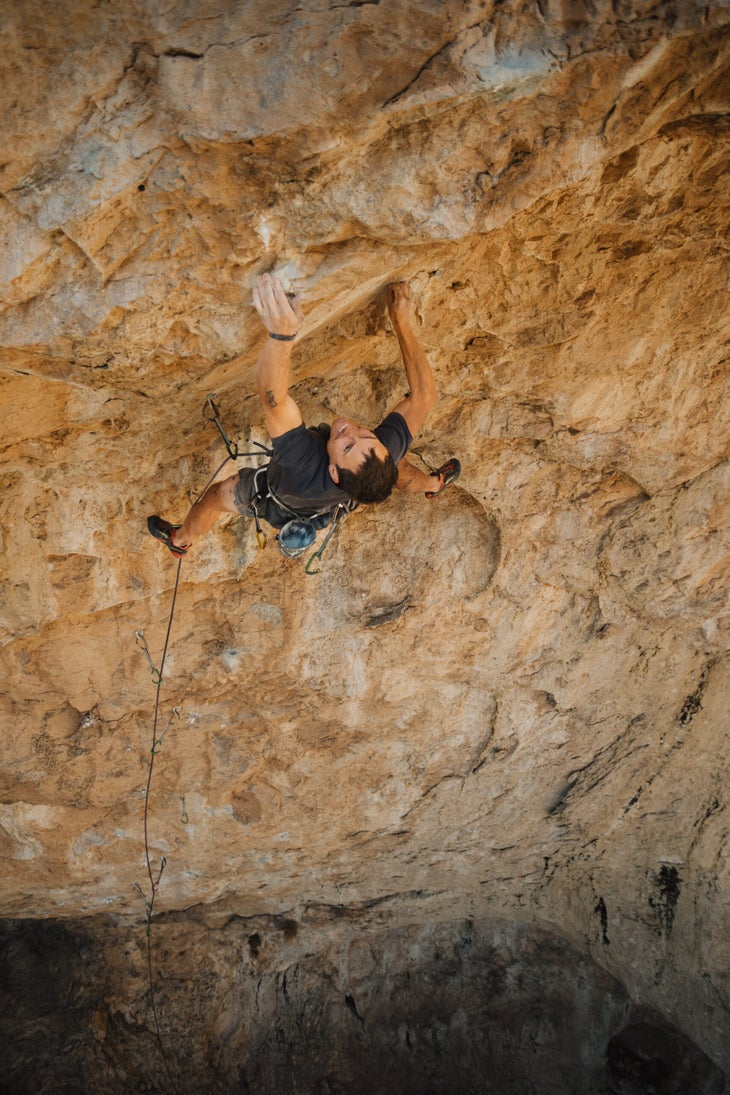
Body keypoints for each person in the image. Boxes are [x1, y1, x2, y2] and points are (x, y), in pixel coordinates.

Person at [147, 273, 460, 557]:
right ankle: (433, 484)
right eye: (366, 435)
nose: (350, 430)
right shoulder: (376, 452)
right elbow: (423, 396)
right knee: (396, 468)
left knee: (216, 497)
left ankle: (180, 540)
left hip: (276, 500)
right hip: (336, 498)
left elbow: (275, 402)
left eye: (348, 446)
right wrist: (401, 320)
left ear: (335, 472)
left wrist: (282, 336)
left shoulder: (302, 464)